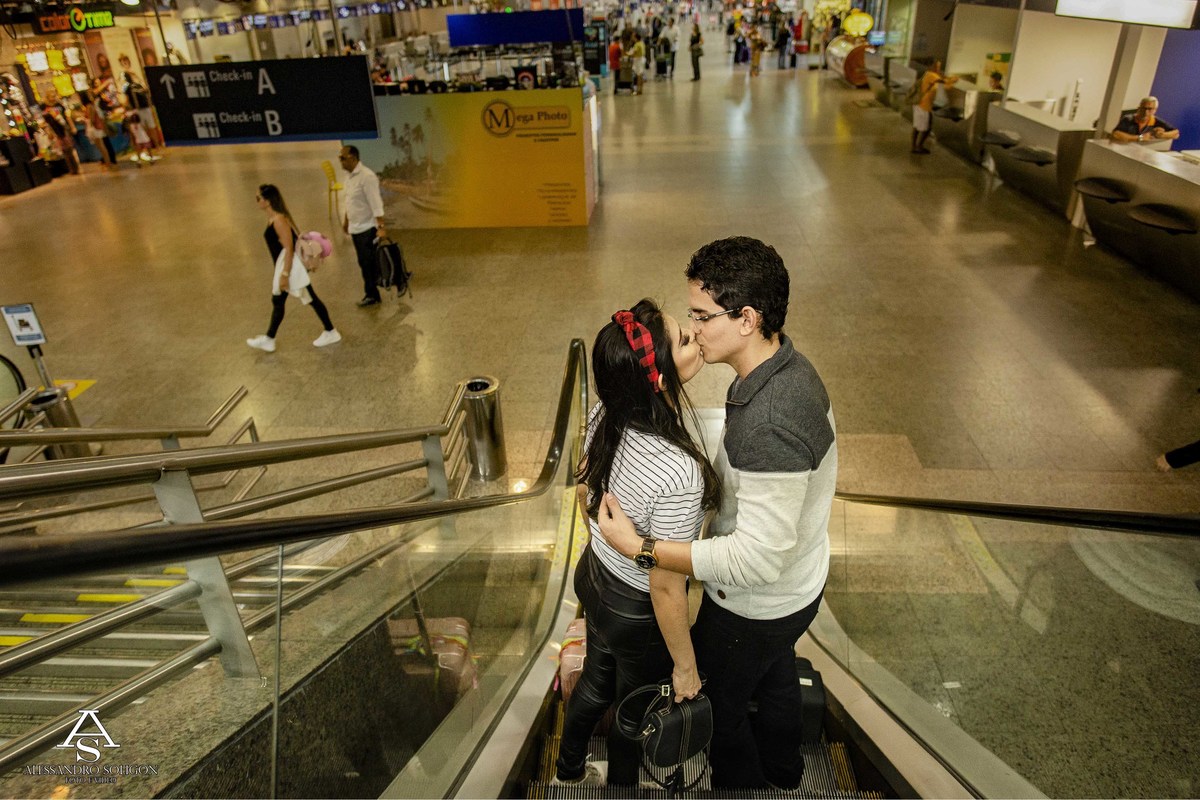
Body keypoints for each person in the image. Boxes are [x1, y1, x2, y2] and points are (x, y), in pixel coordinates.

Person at [597, 236, 837, 791]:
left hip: (756, 605)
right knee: (774, 675)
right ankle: (785, 775)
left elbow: (755, 561)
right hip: (798, 586)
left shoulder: (771, 421)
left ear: (747, 319)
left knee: (722, 715)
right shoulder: (785, 369)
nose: (693, 329)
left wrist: (642, 548)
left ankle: (744, 788)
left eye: (701, 316)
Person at [555, 299, 721, 788]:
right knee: (634, 711)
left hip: (594, 576)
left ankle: (567, 772)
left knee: (596, 682)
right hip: (635, 609)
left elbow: (585, 485)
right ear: (661, 379)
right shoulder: (678, 472)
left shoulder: (605, 411)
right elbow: (666, 587)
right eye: (685, 338)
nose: (695, 334)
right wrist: (685, 668)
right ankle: (624, 789)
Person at [246, 184, 341, 352]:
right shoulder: (274, 218)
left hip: (290, 266)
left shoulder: (279, 220)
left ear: (268, 201)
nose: (257, 201)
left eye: (258, 198)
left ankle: (331, 331)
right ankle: (269, 339)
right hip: (285, 265)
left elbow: (289, 248)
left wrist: (285, 273)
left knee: (309, 298)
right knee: (280, 301)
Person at [339, 145, 387, 307]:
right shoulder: (349, 177)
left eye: (343, 158)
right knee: (363, 262)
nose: (340, 161)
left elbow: (376, 203)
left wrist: (381, 226)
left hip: (367, 228)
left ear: (353, 158)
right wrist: (346, 221)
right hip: (355, 228)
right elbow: (349, 201)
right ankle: (372, 292)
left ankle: (372, 293)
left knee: (368, 263)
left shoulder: (367, 177)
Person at [912, 60, 956, 154]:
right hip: (924, 106)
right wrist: (955, 78)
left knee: (917, 126)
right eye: (937, 67)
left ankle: (914, 146)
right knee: (927, 128)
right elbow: (944, 81)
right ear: (932, 66)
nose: (938, 69)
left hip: (919, 104)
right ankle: (919, 146)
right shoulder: (931, 75)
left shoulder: (928, 74)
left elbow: (943, 82)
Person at [39, 88, 80, 175]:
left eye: (54, 96)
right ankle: (70, 168)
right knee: (63, 150)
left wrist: (72, 126)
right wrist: (48, 131)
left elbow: (67, 116)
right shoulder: (44, 107)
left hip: (63, 128)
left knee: (69, 148)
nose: (53, 98)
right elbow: (45, 120)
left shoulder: (59, 105)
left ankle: (75, 168)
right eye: (51, 96)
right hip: (54, 130)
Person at [1111, 97, 1180, 144]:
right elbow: (1116, 134)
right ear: (1139, 108)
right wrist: (1140, 138)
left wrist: (1161, 135)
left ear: (1155, 110)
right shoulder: (1128, 119)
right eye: (1144, 108)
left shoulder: (1156, 121)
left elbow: (1176, 133)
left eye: (1150, 109)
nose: (1146, 112)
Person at [79, 93, 115, 171]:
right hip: (96, 128)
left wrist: (84, 120)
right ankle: (108, 162)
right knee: (101, 146)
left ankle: (108, 163)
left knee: (101, 147)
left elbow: (91, 119)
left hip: (94, 128)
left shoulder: (89, 106)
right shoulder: (91, 105)